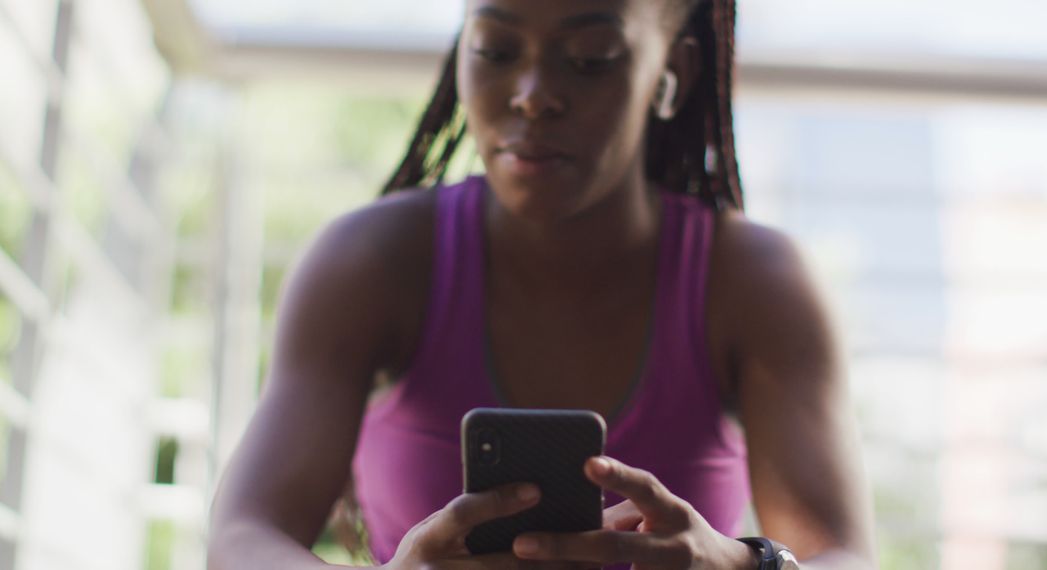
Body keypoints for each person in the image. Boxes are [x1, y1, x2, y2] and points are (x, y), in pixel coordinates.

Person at [207, 0, 877, 568]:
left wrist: (739, 561)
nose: (532, 93)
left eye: (589, 59)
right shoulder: (371, 261)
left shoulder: (754, 282)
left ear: (672, 73)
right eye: (496, 49)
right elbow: (241, 538)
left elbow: (843, 555)